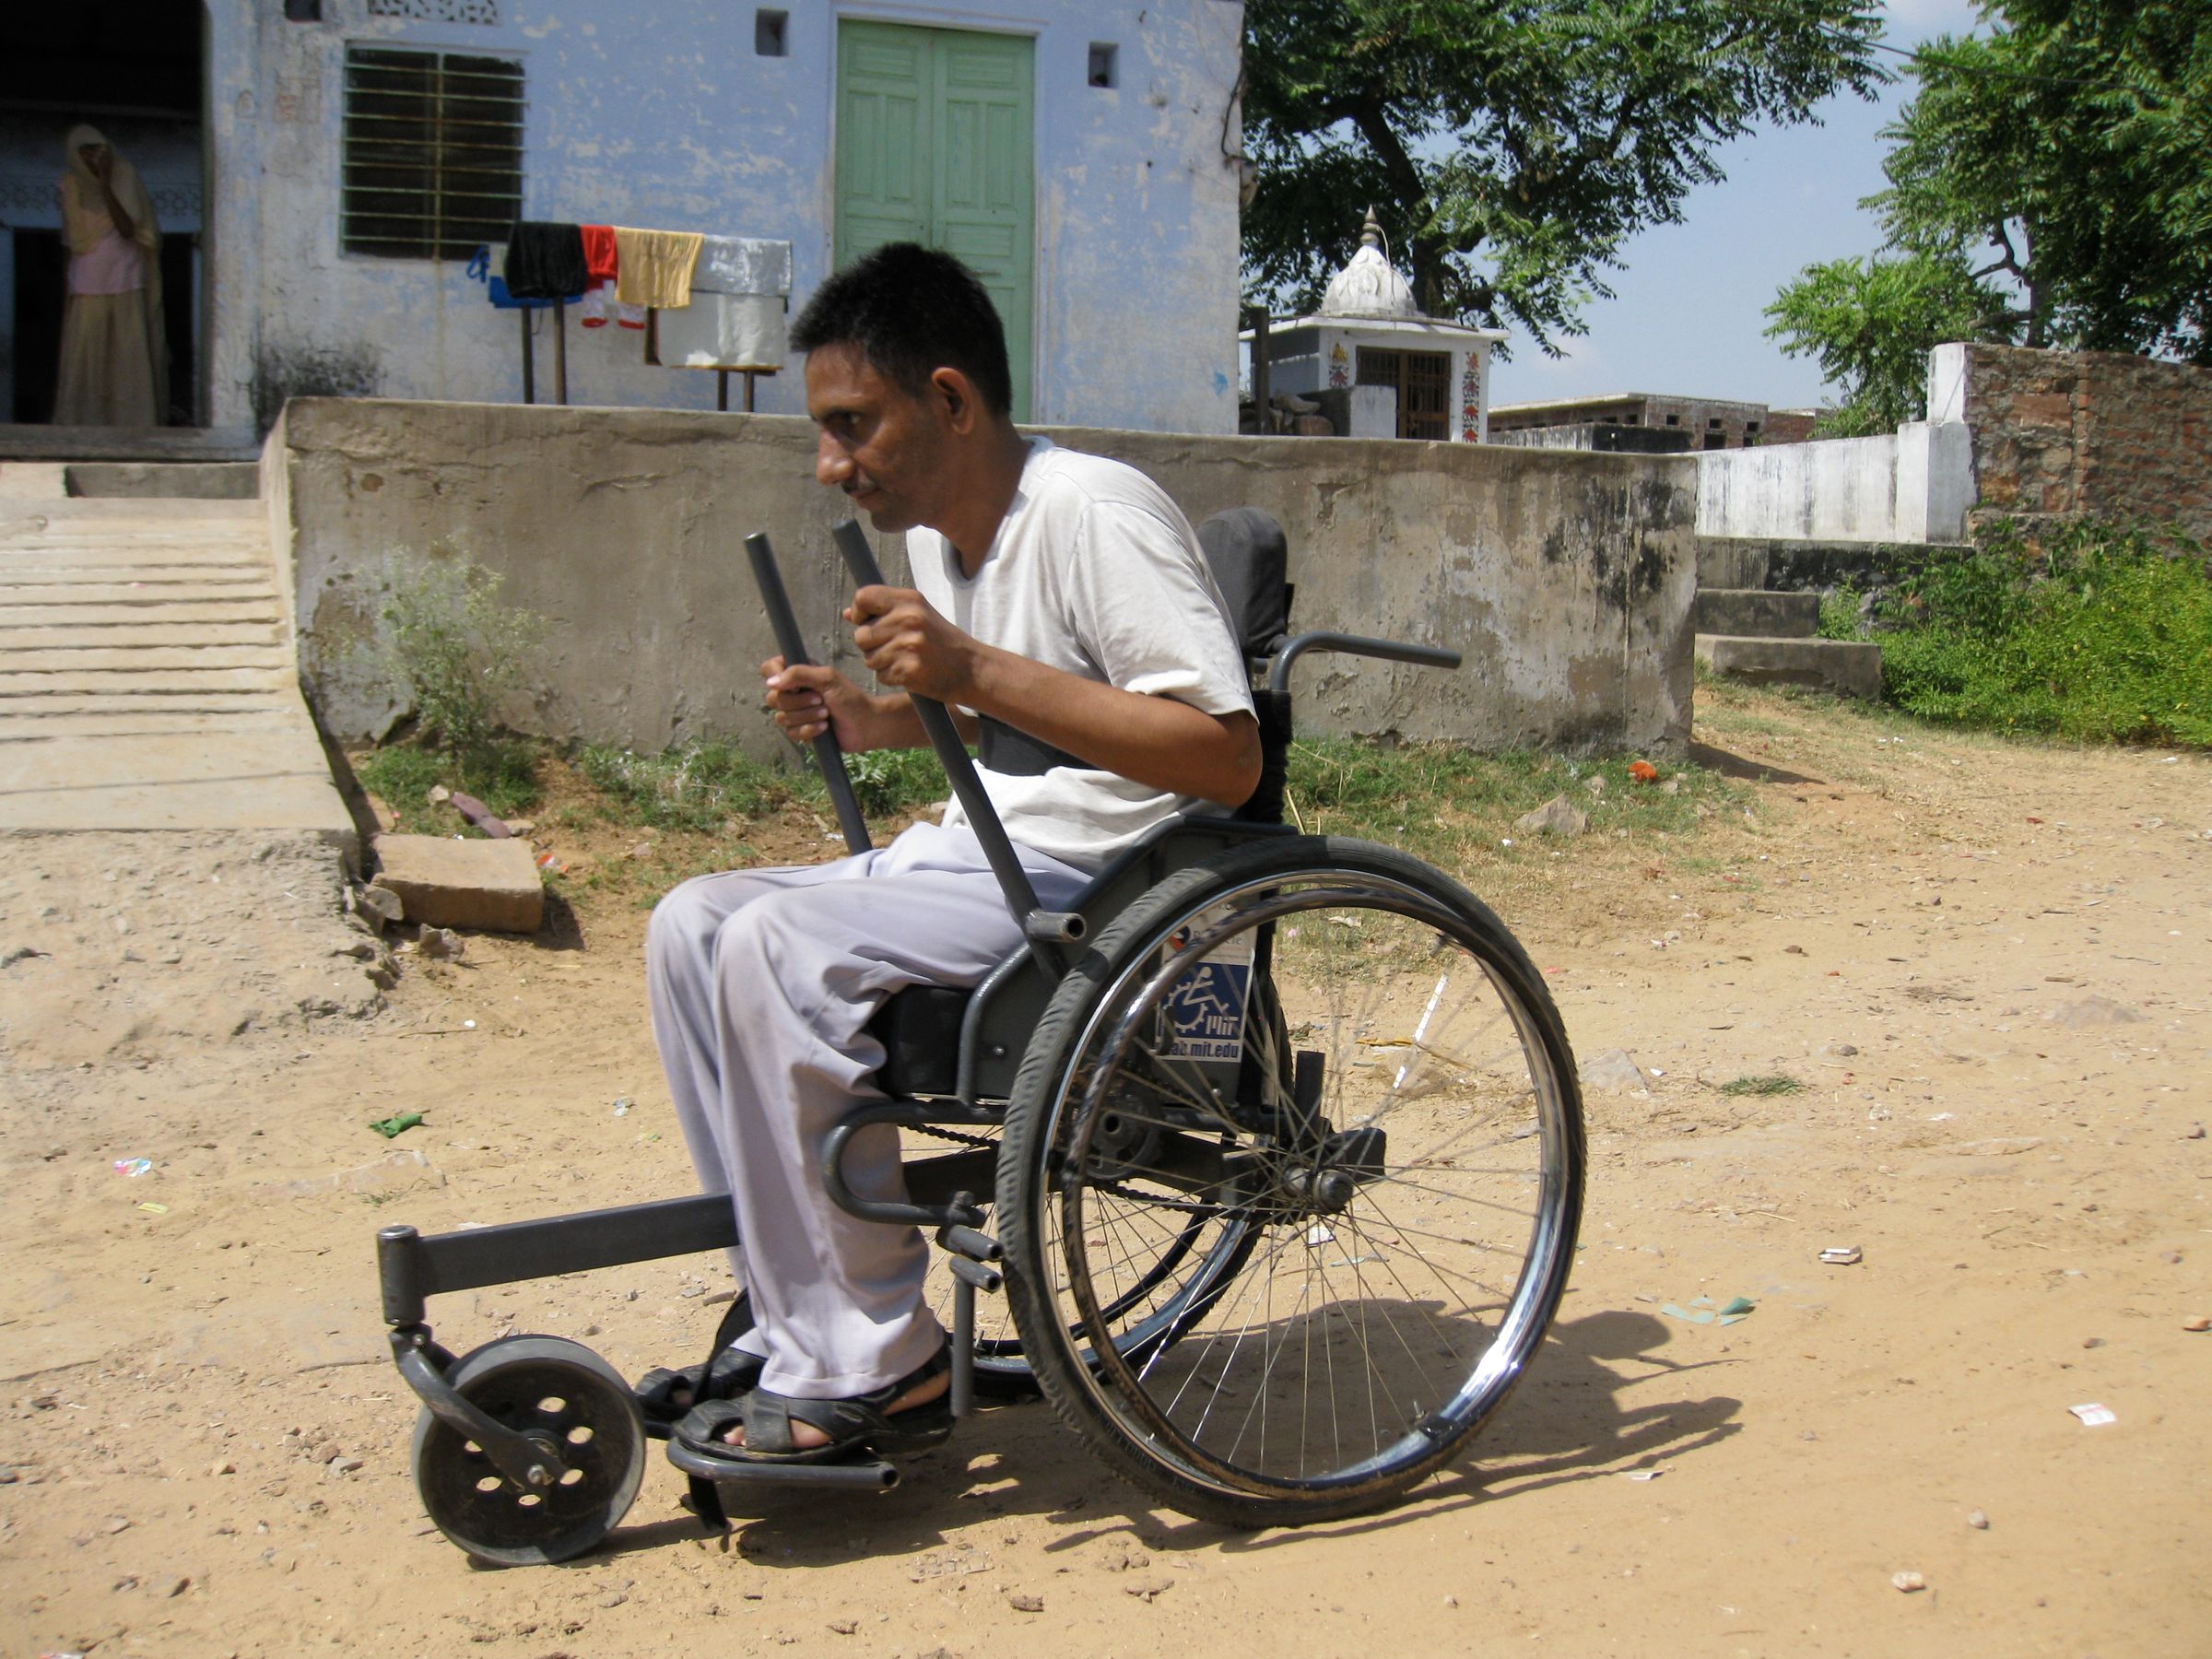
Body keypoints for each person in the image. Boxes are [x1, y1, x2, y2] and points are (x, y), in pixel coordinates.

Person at [644, 242, 1261, 1465]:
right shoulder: (936, 541)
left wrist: (967, 664)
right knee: (691, 923)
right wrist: (876, 717)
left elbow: (1223, 754)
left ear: (949, 399)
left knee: (774, 945)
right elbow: (1024, 720)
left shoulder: (1095, 512)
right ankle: (791, 1314)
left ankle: (876, 1359)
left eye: (852, 425)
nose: (831, 464)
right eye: (823, 432)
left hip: (1108, 882)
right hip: (986, 855)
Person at [53, 124, 168, 427]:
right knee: (87, 359)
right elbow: (71, 244)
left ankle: (135, 422)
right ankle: (83, 423)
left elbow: (128, 228)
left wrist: (105, 184)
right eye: (84, 151)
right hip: (87, 282)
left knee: (126, 355)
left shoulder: (124, 174)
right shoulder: (70, 184)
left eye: (96, 149)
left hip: (124, 278)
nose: (91, 157)